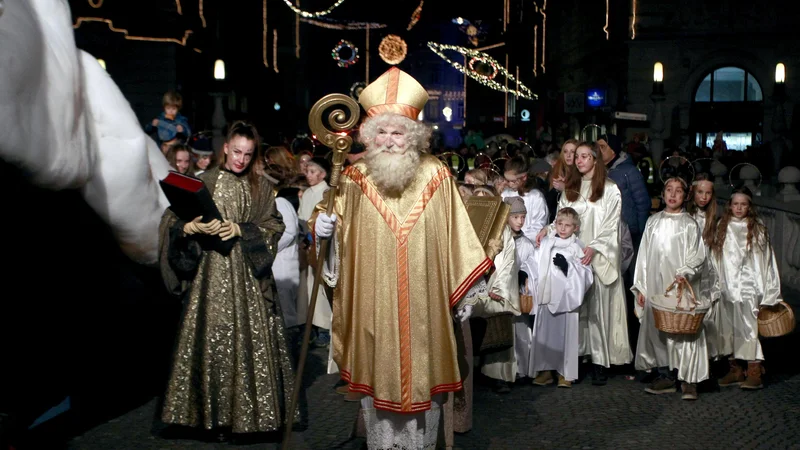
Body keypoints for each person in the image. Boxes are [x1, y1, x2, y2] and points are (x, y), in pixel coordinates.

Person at [311, 67, 491, 449]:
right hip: (372, 305)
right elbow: (333, 229)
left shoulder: (437, 176)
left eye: (397, 132)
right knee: (378, 389)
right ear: (369, 136)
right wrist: (324, 234)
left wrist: (465, 292)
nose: (390, 140)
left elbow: (459, 238)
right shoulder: (354, 179)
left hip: (424, 309)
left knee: (423, 389)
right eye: (382, 132)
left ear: (412, 136)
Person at [157, 121, 295, 436]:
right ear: (225, 148)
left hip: (247, 280)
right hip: (209, 279)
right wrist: (189, 228)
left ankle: (248, 418)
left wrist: (242, 229)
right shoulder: (202, 181)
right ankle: (206, 416)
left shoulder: (260, 187)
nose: (241, 160)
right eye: (236, 152)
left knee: (249, 347)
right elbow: (171, 219)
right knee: (212, 341)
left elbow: (275, 226)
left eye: (247, 154)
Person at [633, 177, 709, 400]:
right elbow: (644, 256)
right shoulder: (653, 221)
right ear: (663, 193)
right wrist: (642, 288)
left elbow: (699, 254)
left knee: (683, 329)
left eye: (678, 191)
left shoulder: (689, 224)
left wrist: (686, 271)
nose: (673, 195)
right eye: (669, 190)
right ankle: (664, 372)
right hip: (657, 285)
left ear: (685, 196)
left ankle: (688, 378)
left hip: (680, 285)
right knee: (659, 327)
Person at [712, 186, 782, 390]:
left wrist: (767, 291)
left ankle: (754, 369)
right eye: (736, 204)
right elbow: (716, 257)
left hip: (750, 287)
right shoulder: (722, 227)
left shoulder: (757, 228)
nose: (739, 208)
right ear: (730, 206)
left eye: (743, 204)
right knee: (729, 327)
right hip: (727, 286)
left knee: (749, 327)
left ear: (749, 206)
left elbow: (766, 260)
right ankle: (735, 368)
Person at [529, 207, 593, 388]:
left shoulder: (577, 247)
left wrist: (568, 267)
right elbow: (534, 262)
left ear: (575, 228)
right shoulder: (547, 243)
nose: (563, 228)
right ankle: (546, 370)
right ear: (554, 224)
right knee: (545, 334)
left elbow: (586, 275)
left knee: (566, 336)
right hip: (546, 297)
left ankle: (565, 373)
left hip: (566, 300)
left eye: (568, 225)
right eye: (560, 224)